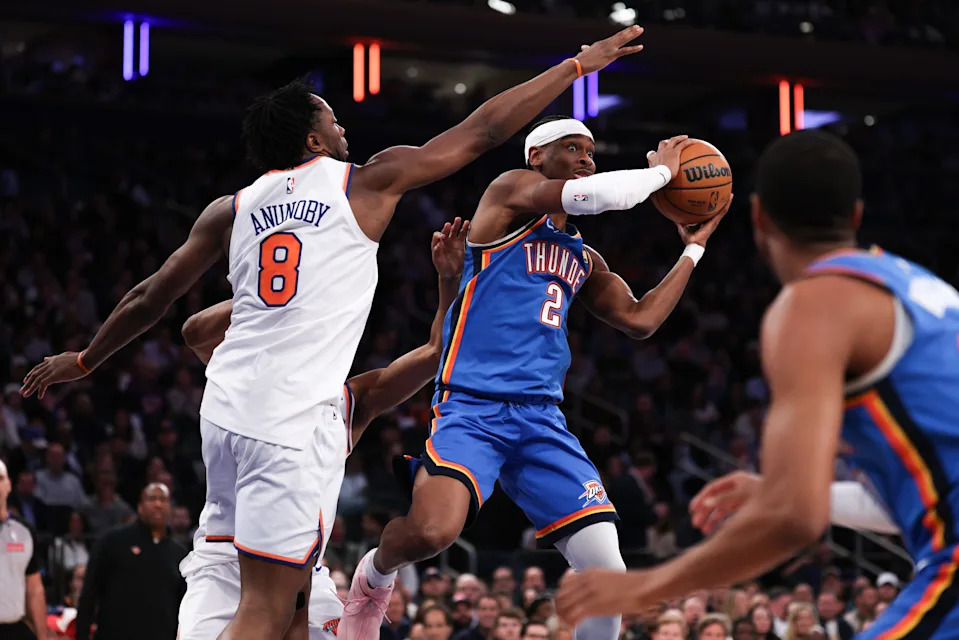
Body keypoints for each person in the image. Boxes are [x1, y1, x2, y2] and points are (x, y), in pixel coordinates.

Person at [20, 25, 646, 640]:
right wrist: (574, 67)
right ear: (313, 135)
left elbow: (150, 296)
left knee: (287, 602)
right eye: (334, 119)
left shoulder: (230, 208)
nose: (346, 127)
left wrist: (86, 359)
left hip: (224, 408)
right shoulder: (364, 182)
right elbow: (481, 131)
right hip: (291, 419)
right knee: (267, 610)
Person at [555, 129, 959, 638]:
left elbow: (793, 518)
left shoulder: (815, 303)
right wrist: (781, 490)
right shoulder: (923, 289)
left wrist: (646, 586)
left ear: (758, 217)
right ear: (856, 216)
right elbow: (922, 497)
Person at [343, 113, 730, 637]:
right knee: (432, 533)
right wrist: (662, 174)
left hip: (541, 418)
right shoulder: (506, 198)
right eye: (573, 149)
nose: (586, 161)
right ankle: (375, 573)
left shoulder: (584, 258)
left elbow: (641, 320)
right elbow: (595, 197)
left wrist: (694, 246)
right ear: (536, 158)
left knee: (607, 570)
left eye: (591, 153)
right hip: (472, 408)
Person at [175, 221, 465, 639]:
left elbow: (438, 352)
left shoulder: (347, 403)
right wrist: (293, 287)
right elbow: (195, 333)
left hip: (304, 573)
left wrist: (449, 280)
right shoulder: (249, 382)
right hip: (226, 568)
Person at [76, 483, 186, 640]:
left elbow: (184, 607)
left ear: (170, 508)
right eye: (152, 498)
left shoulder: (180, 554)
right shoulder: (112, 542)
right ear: (140, 507)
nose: (157, 504)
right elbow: (89, 593)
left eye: (163, 499)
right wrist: (82, 634)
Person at [0, 460, 48, 640]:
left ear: (9, 485)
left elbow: (34, 588)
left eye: (0, 478)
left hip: (14, 629)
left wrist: (42, 635)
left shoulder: (24, 532)